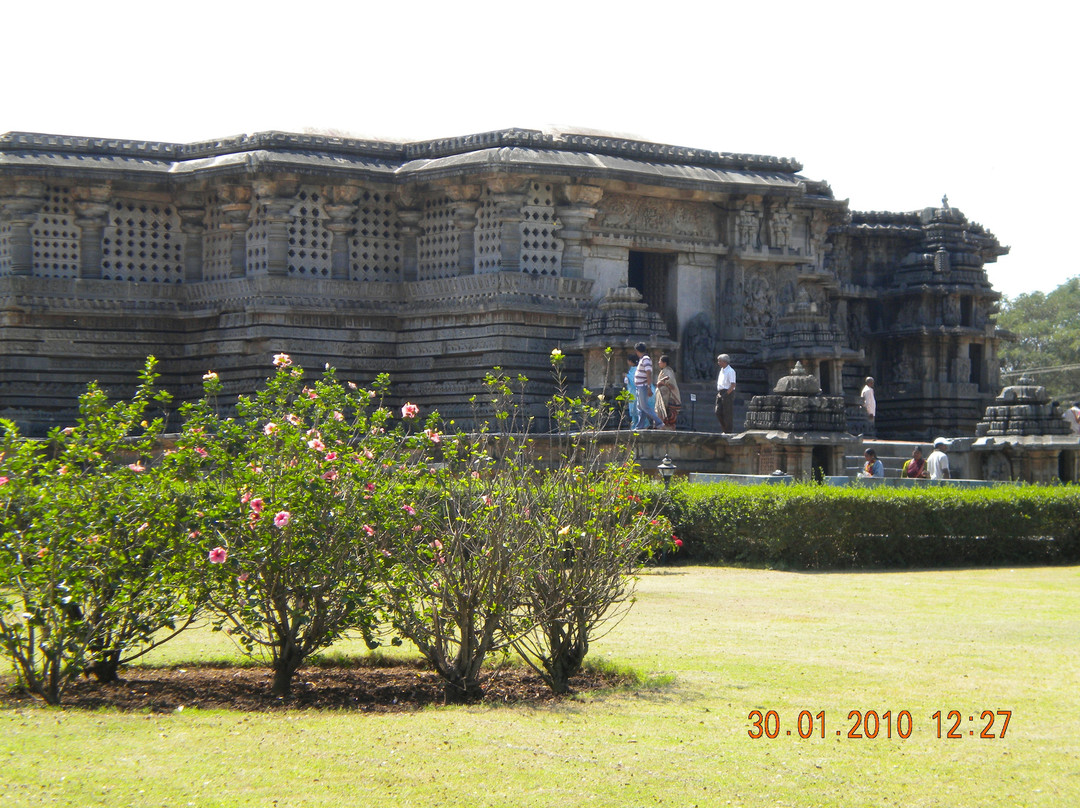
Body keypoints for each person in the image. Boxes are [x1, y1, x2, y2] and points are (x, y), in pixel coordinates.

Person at [633, 342, 664, 429]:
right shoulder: (642, 359)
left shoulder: (646, 359)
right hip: (639, 386)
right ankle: (640, 426)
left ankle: (659, 422)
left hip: (643, 386)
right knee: (640, 407)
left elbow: (648, 373)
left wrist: (649, 387)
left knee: (644, 406)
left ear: (637, 351)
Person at [654, 354, 682, 430]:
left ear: (664, 363)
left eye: (660, 361)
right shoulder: (663, 371)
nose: (658, 363)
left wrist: (661, 382)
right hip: (662, 397)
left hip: (667, 397)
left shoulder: (668, 371)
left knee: (667, 414)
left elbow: (670, 383)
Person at [715, 353, 736, 433]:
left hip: (727, 392)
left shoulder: (730, 371)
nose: (718, 363)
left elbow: (733, 384)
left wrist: (726, 394)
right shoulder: (721, 370)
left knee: (727, 412)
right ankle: (724, 428)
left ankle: (728, 430)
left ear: (724, 361)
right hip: (720, 392)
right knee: (718, 411)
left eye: (719, 361)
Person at [624, 355, 640, 428]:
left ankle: (638, 425)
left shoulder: (636, 370)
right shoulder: (632, 369)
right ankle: (634, 425)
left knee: (636, 409)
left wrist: (627, 376)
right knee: (633, 410)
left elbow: (634, 381)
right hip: (632, 391)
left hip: (635, 392)